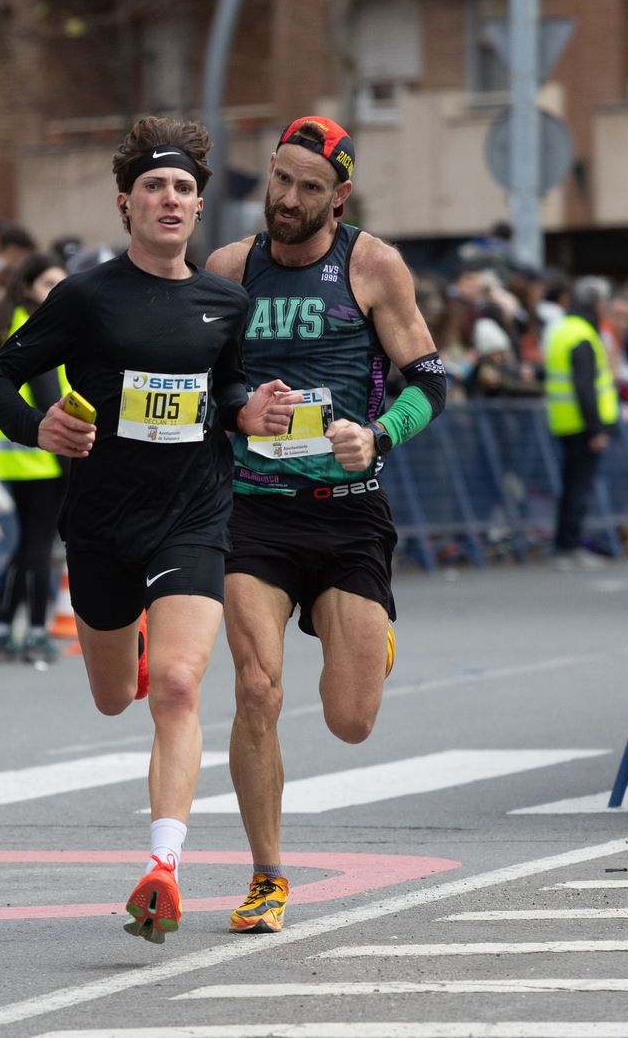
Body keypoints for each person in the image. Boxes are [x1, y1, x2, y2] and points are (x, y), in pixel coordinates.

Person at [0, 116, 294, 944]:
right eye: (155, 186)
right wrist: (36, 424)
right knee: (119, 696)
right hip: (104, 522)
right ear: (127, 203)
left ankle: (164, 867)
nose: (171, 198)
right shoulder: (86, 296)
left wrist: (249, 412)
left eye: (185, 188)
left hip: (193, 515)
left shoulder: (226, 302)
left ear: (198, 209)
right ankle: (135, 648)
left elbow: (228, 393)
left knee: (183, 688)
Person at [203, 116, 445, 935]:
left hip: (347, 514)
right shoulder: (230, 269)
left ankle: (367, 640)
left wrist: (375, 435)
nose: (289, 200)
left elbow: (432, 381)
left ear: (339, 197)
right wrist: (239, 410)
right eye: (281, 180)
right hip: (255, 513)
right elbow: (201, 389)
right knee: (255, 688)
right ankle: (267, 875)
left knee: (350, 720)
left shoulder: (372, 265)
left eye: (311, 188)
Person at [0, 253, 69, 667]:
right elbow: (49, 394)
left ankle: (1, 629)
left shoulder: (10, 320)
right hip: (44, 456)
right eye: (49, 281)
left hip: (19, 456)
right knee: (36, 547)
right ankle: (33, 631)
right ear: (29, 285)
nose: (56, 290)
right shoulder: (35, 324)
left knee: (26, 546)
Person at [546, 276, 619, 570]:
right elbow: (585, 386)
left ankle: (564, 545)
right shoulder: (583, 334)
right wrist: (596, 428)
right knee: (579, 488)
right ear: (598, 304)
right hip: (582, 425)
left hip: (565, 422)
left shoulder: (562, 329)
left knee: (570, 486)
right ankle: (571, 547)